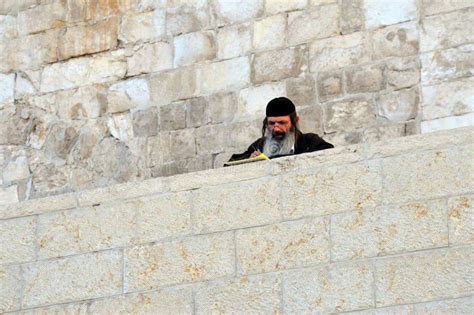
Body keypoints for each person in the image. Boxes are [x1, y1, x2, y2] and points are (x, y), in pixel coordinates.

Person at [228, 97, 333, 162]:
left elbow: (331, 157)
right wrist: (249, 160)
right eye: (271, 123)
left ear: (295, 121)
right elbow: (230, 164)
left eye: (282, 123)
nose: (276, 129)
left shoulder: (310, 142)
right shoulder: (259, 145)